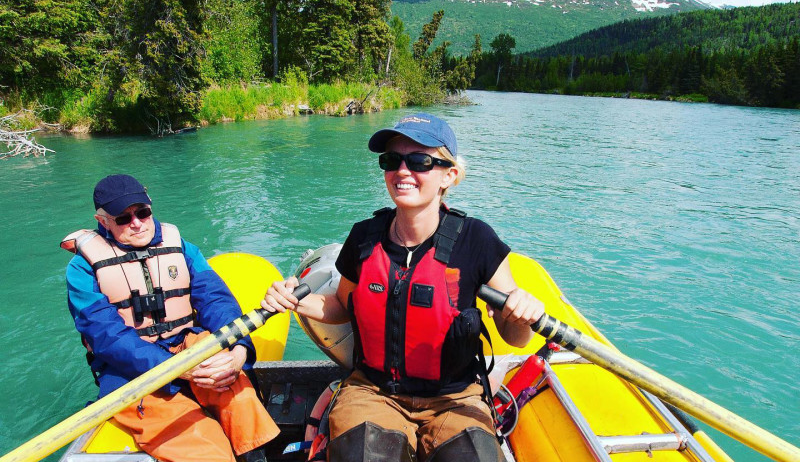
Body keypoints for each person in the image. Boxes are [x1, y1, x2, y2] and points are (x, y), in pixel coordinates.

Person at [262, 114, 545, 461]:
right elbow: (340, 304)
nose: (403, 171)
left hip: (454, 399)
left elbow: (516, 338)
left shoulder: (477, 240)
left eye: (420, 161)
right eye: (391, 160)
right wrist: (296, 302)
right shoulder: (364, 237)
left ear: (449, 175)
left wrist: (521, 314)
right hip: (372, 392)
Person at [62, 174, 278, 462]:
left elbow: (216, 300)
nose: (137, 223)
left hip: (185, 344)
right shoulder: (82, 269)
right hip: (132, 371)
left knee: (239, 395)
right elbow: (106, 336)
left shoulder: (182, 247)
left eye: (142, 212)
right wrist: (176, 369)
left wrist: (239, 349)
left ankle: (255, 453)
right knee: (203, 446)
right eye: (123, 218)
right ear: (103, 221)